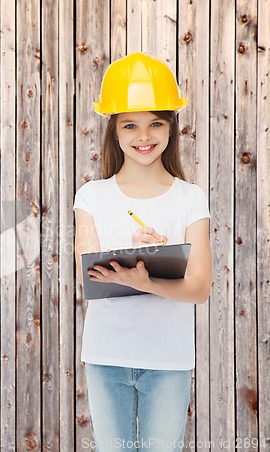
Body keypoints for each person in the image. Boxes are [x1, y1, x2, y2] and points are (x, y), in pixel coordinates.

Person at [73, 52, 212, 452]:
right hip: (106, 355)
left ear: (171, 128)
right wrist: (143, 270)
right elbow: (92, 278)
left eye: (155, 122)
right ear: (114, 131)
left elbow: (200, 288)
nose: (143, 135)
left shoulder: (190, 198)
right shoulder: (92, 196)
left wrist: (147, 277)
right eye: (130, 124)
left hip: (168, 360)